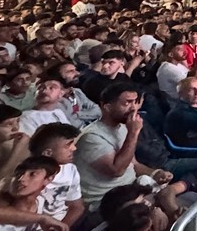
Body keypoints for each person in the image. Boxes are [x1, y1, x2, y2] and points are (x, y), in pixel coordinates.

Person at [74, 83, 172, 211]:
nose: (133, 108)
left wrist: (155, 173)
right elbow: (117, 171)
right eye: (127, 103)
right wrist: (133, 133)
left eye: (135, 102)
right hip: (107, 199)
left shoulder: (123, 127)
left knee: (168, 192)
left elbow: (134, 164)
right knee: (156, 213)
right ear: (107, 107)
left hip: (131, 188)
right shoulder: (91, 137)